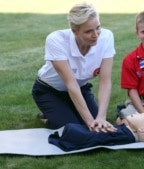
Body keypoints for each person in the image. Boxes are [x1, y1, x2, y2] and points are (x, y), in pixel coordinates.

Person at [31, 2, 116, 132]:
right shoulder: (56, 40)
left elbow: (105, 81)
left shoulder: (106, 37)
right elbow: (71, 84)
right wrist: (90, 123)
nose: (96, 34)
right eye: (88, 31)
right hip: (49, 91)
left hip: (81, 89)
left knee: (99, 124)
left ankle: (65, 112)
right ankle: (47, 115)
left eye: (98, 27)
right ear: (74, 31)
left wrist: (101, 117)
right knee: (75, 128)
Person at [49, 112, 144, 151]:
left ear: (142, 129)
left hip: (81, 136)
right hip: (90, 133)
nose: (137, 112)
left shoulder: (124, 135)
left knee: (72, 128)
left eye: (141, 115)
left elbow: (102, 138)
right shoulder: (127, 132)